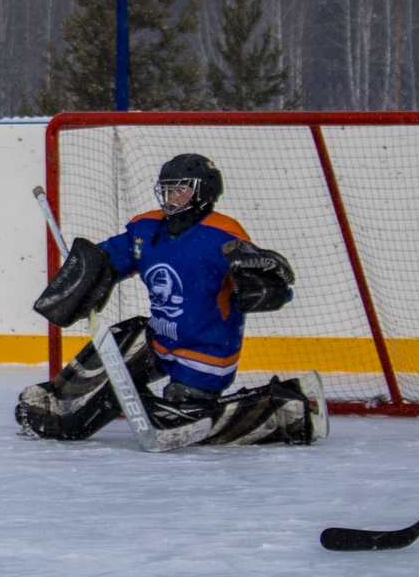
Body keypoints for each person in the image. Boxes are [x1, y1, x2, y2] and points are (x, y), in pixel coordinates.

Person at [17, 153, 324, 448]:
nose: (170, 197)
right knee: (122, 340)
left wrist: (264, 284)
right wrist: (88, 275)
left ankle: (285, 410)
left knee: (175, 421)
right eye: (166, 189)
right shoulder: (148, 228)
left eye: (180, 190)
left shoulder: (223, 235)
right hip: (160, 339)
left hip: (204, 354)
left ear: (204, 192)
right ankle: (61, 403)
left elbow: (269, 288)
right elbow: (110, 258)